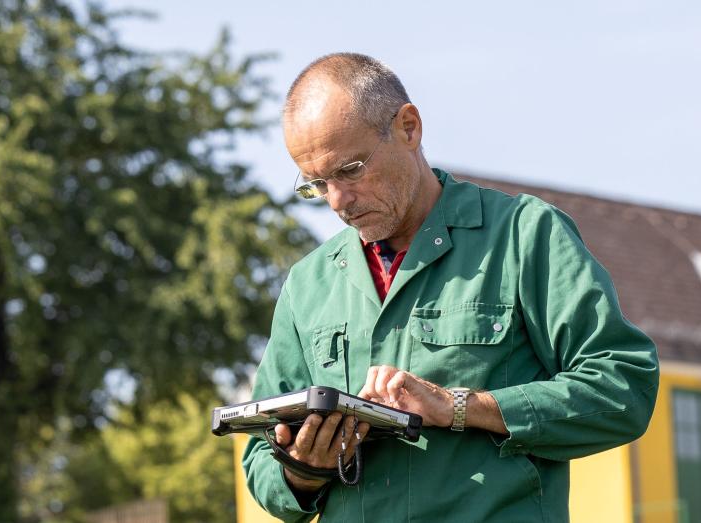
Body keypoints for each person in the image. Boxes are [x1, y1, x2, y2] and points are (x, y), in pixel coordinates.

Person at [241, 52, 661, 522]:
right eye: (317, 184)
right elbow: (259, 460)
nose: (337, 201)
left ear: (409, 127)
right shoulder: (307, 284)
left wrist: (458, 407)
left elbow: (623, 388)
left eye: (351, 169)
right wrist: (302, 471)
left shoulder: (524, 235)